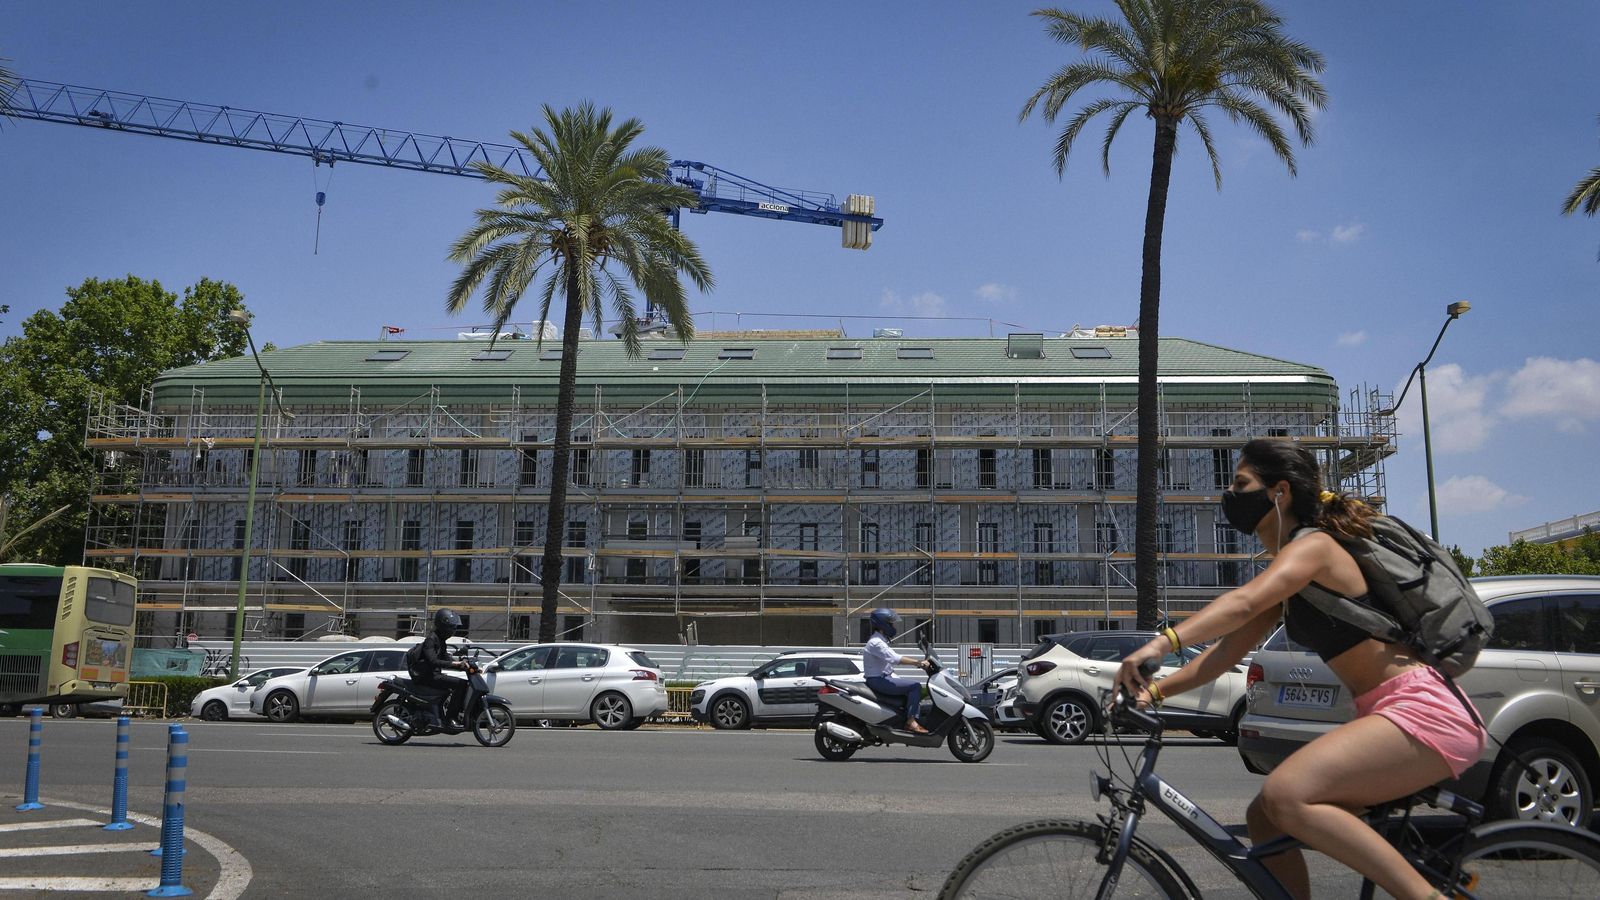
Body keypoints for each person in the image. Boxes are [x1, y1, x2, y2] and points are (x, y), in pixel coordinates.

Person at [1115, 438, 1485, 900]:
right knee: (1264, 819)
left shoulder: (1315, 549)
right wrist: (1156, 691)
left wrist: (1161, 642)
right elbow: (1227, 652)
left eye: (1241, 483)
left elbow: (1243, 601)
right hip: (1389, 713)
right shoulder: (1293, 568)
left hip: (1422, 711)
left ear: (1280, 492)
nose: (1230, 494)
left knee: (1286, 796)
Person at [863, 608, 934, 734]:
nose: (893, 626)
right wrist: (918, 662)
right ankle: (911, 721)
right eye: (891, 623)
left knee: (910, 686)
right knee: (915, 687)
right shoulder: (876, 643)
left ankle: (903, 717)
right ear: (882, 624)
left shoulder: (880, 641)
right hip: (878, 680)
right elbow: (895, 659)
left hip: (884, 678)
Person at [408, 608, 468, 728]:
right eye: (451, 627)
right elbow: (433, 661)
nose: (453, 630)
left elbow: (446, 658)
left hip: (433, 675)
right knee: (461, 684)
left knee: (462, 684)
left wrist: (462, 664)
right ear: (443, 625)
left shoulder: (441, 640)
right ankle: (451, 718)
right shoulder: (431, 639)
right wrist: (454, 664)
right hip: (427, 677)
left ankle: (449, 714)